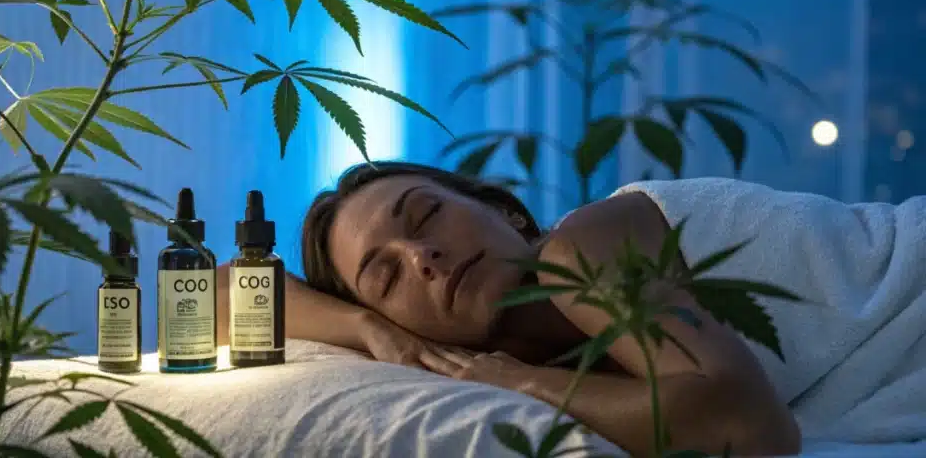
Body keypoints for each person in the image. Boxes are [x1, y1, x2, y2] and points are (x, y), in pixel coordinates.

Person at [216, 161, 802, 457]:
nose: (422, 257)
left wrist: (520, 381)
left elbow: (746, 426)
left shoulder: (583, 244)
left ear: (509, 214)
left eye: (425, 216)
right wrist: (364, 327)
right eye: (386, 275)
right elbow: (222, 290)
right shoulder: (564, 351)